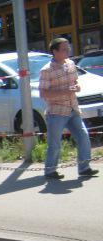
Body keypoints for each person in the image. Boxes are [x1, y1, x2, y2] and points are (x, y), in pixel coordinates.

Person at [39, 37, 98, 179]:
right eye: (64, 49)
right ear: (55, 51)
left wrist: (76, 87)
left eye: (68, 48)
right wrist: (65, 91)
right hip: (56, 112)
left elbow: (75, 82)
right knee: (55, 144)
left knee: (83, 137)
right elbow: (43, 93)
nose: (68, 51)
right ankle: (50, 171)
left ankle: (84, 168)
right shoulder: (46, 70)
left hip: (73, 109)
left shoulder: (71, 64)